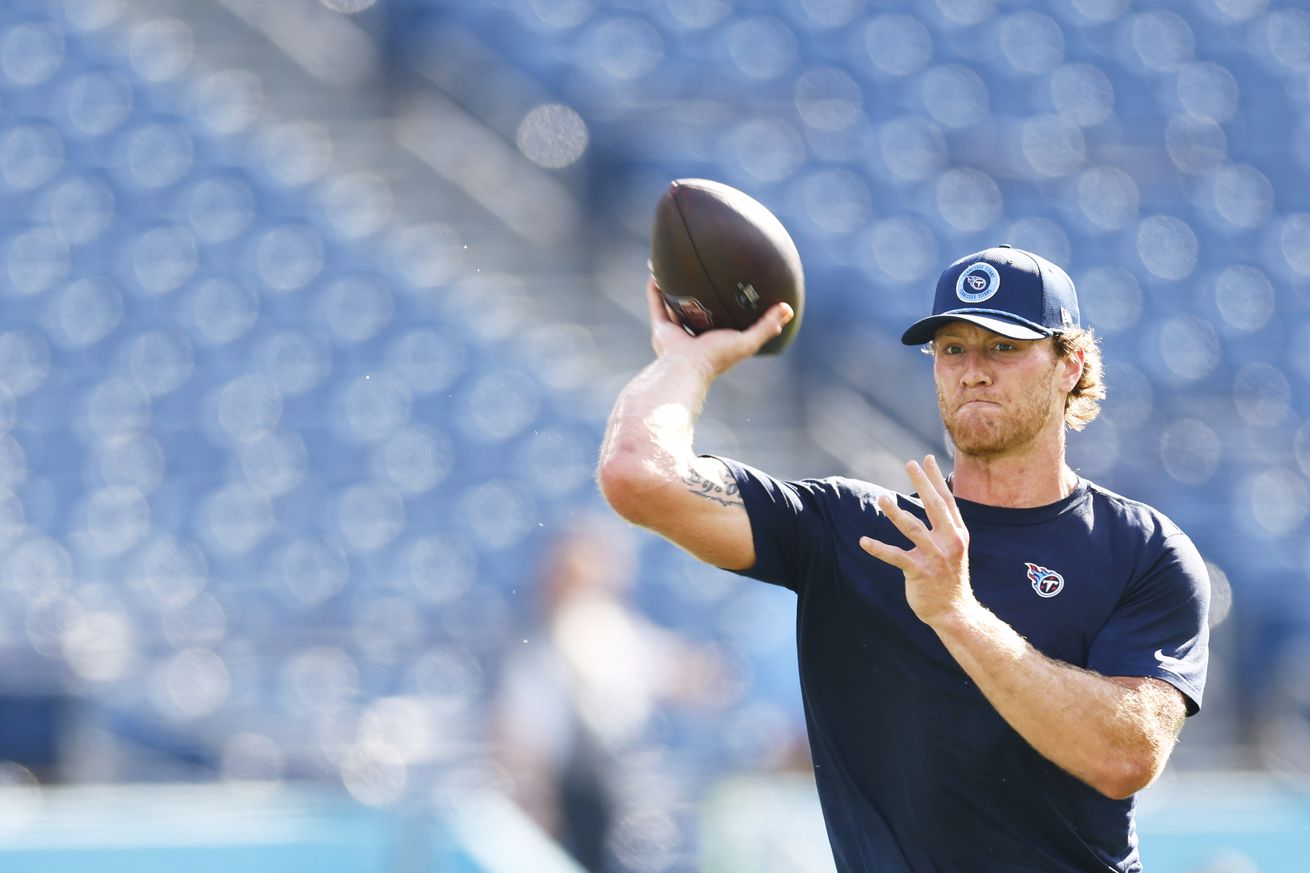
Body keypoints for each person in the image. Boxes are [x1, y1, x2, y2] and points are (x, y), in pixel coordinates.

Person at [596, 244, 1210, 872]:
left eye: (1004, 347)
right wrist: (686, 361)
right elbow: (637, 477)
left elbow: (1126, 757)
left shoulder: (1143, 550)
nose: (973, 370)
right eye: (952, 349)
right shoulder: (855, 532)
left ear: (1069, 364)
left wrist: (958, 615)